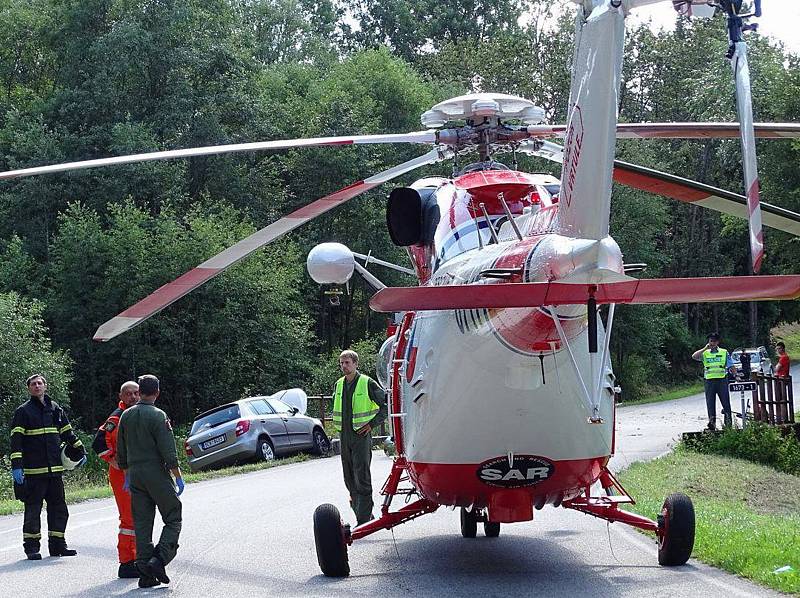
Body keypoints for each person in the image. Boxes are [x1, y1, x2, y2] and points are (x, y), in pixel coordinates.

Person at [9, 373, 87, 560]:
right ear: (29, 388)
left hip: (55, 472)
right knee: (33, 510)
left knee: (59, 509)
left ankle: (58, 545)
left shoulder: (55, 409)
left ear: (45, 386)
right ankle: (32, 548)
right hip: (34, 472)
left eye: (39, 383)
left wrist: (80, 451)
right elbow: (16, 441)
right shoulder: (23, 411)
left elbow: (68, 433)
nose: (37, 386)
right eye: (33, 384)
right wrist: (17, 466)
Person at [116, 375, 184, 588]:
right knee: (173, 517)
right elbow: (169, 452)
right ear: (157, 392)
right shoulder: (158, 415)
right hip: (156, 474)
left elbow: (121, 450)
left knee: (142, 524)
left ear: (140, 392)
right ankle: (160, 559)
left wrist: (127, 475)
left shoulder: (126, 415)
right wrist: (178, 477)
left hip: (135, 475)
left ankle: (145, 573)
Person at [333, 350, 388, 525]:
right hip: (344, 436)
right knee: (348, 477)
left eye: (347, 362)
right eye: (342, 363)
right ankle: (362, 514)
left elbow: (385, 405)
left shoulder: (367, 383)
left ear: (356, 364)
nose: (344, 366)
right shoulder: (339, 384)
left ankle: (363, 519)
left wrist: (371, 424)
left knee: (361, 476)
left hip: (360, 437)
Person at [91, 381, 140, 578]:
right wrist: (112, 460)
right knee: (129, 519)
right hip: (122, 475)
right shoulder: (116, 417)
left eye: (136, 393)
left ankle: (138, 558)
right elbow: (99, 442)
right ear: (121, 396)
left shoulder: (141, 412)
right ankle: (127, 562)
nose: (133, 397)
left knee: (140, 516)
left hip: (138, 472)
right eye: (128, 394)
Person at [692, 333, 735, 430]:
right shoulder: (705, 353)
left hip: (722, 380)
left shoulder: (724, 352)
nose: (712, 343)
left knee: (726, 403)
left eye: (714, 341)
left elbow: (730, 365)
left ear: (718, 342)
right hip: (709, 381)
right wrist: (704, 348)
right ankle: (712, 424)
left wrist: (736, 375)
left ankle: (728, 426)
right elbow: (694, 356)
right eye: (711, 341)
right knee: (710, 404)